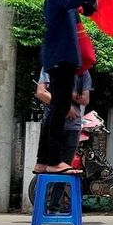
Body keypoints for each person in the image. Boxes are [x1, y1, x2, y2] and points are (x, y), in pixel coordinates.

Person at [35, 0, 113, 174]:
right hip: (61, 55)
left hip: (63, 55)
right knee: (59, 108)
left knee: (58, 108)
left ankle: (44, 161)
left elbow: (86, 6)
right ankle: (52, 161)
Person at [36, 68, 92, 212]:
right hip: (53, 124)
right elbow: (41, 93)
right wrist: (64, 106)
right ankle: (41, 207)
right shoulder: (51, 67)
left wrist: (65, 95)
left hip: (73, 127)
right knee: (48, 167)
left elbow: (85, 99)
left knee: (65, 168)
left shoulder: (83, 74)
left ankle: (54, 206)